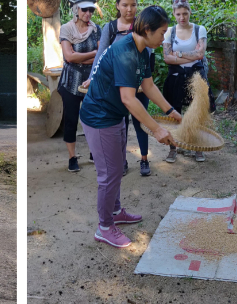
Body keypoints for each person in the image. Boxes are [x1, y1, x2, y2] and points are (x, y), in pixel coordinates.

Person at [80, 6, 181, 248]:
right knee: (110, 174)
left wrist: (171, 111)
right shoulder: (125, 50)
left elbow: (148, 86)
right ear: (147, 29)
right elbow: (128, 98)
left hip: (114, 115)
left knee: (115, 168)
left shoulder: (143, 49)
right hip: (99, 117)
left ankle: (115, 212)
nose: (164, 37)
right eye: (162, 32)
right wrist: (157, 130)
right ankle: (104, 227)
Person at [82, 0, 153, 176]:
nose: (129, 9)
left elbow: (148, 54)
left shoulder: (143, 25)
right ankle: (122, 161)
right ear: (117, 6)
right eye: (125, 5)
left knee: (141, 122)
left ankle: (144, 159)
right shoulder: (110, 27)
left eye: (133, 5)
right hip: (117, 86)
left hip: (138, 84)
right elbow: (101, 54)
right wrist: (92, 77)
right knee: (120, 123)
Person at [162, 0, 212, 163]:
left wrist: (179, 55)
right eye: (178, 14)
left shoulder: (199, 30)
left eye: (185, 13)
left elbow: (200, 54)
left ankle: (196, 147)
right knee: (174, 112)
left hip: (196, 78)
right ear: (174, 14)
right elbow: (167, 58)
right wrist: (189, 55)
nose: (181, 17)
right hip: (176, 77)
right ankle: (173, 148)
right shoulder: (169, 31)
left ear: (190, 13)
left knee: (196, 112)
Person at [57, 0, 101, 172]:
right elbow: (68, 57)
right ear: (77, 9)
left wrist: (80, 55)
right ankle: (72, 157)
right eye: (84, 10)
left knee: (93, 118)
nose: (88, 13)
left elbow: (101, 55)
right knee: (71, 119)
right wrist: (93, 54)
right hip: (71, 82)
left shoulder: (96, 29)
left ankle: (93, 152)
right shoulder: (67, 29)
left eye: (91, 10)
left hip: (91, 80)